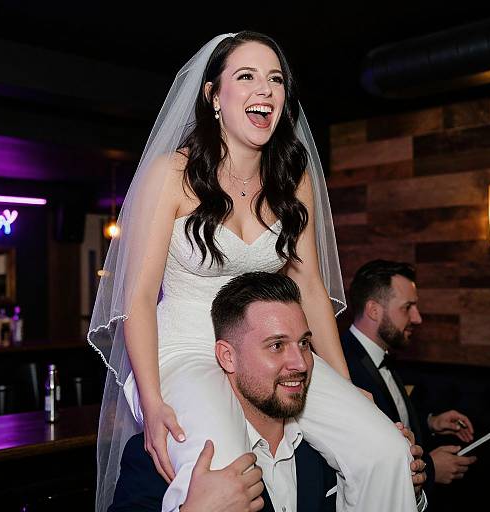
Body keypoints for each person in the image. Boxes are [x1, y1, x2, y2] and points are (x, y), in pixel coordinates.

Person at [88, 32, 417, 512]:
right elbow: (137, 298)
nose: (265, 89)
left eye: (275, 79)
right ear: (213, 96)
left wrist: (346, 385)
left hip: (273, 349)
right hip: (186, 350)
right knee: (230, 480)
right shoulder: (171, 174)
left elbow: (308, 286)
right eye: (246, 77)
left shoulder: (293, 177)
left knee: (385, 452)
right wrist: (153, 402)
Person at [108, 272, 427, 512]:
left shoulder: (337, 446)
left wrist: (403, 482)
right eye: (276, 345)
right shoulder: (170, 452)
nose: (300, 362)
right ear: (227, 356)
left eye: (304, 343)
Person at [341, 259, 477, 505]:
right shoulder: (342, 365)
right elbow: (361, 461)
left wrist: (430, 422)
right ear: (374, 310)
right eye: (408, 307)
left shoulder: (383, 354)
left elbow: (392, 418)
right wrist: (432, 468)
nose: (417, 318)